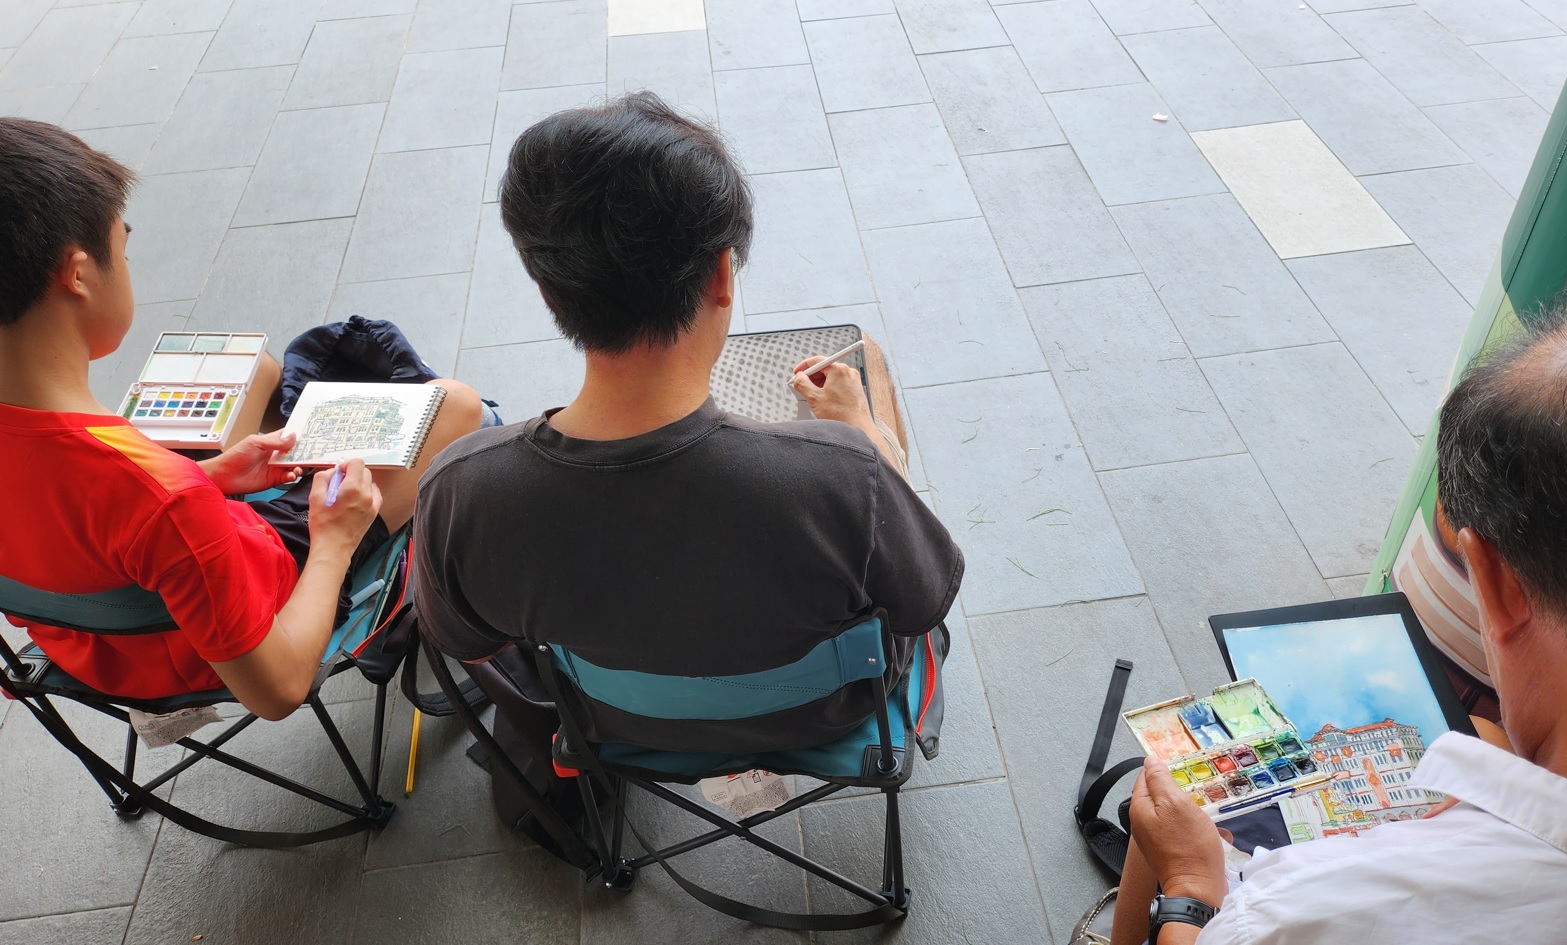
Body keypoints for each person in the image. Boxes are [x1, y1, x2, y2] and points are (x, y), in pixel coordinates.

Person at [1110, 297, 1567, 944]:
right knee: (1483, 736)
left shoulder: (1297, 913)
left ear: (1495, 584)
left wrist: (1190, 893)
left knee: (1167, 802)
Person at [412, 92, 962, 755]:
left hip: (617, 723)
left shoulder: (460, 493)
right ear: (721, 273)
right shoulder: (846, 474)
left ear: (546, 287)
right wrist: (866, 432)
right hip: (827, 713)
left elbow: (470, 640)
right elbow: (921, 601)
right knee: (867, 364)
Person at [0, 118, 484, 720]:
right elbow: (277, 690)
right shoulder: (162, 497)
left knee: (259, 370)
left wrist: (214, 478)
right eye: (122, 250)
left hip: (93, 650)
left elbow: (75, 524)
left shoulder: (132, 477)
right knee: (457, 405)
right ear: (77, 275)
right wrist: (335, 540)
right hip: (249, 631)